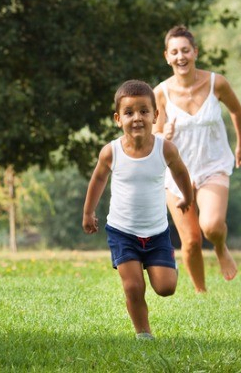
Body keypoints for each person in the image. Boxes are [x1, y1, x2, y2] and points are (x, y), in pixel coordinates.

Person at [83, 79, 195, 340]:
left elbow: (180, 172)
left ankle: (166, 264)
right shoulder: (111, 152)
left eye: (144, 111)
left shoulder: (164, 149)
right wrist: (89, 212)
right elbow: (98, 180)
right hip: (122, 231)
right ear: (117, 118)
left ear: (155, 115)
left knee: (166, 288)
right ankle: (143, 335)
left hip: (156, 232)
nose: (137, 118)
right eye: (129, 112)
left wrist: (187, 196)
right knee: (133, 286)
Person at [154, 25, 241, 293]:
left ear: (195, 52)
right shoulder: (160, 93)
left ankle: (220, 247)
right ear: (167, 57)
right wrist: (164, 132)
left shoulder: (215, 83)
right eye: (175, 52)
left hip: (212, 165)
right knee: (191, 240)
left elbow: (237, 112)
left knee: (211, 225)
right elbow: (152, 133)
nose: (180, 56)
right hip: (176, 174)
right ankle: (201, 293)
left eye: (185, 50)